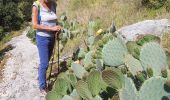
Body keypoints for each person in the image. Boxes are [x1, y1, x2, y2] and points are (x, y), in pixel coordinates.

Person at [32, 0, 61, 94]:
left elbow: (54, 21)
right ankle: (42, 86)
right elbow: (34, 25)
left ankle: (41, 76)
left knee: (46, 61)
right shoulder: (36, 6)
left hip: (52, 37)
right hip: (42, 39)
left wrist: (57, 29)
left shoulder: (53, 4)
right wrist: (51, 28)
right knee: (44, 63)